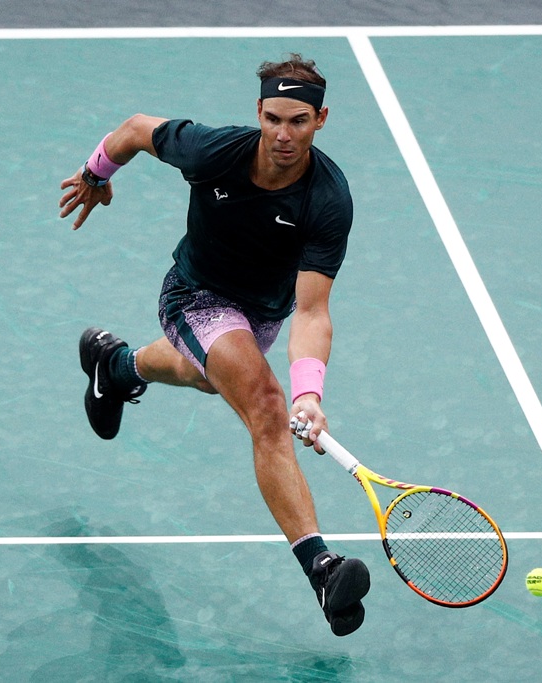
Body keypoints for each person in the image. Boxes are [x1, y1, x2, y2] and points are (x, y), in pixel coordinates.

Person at [58, 54, 369, 636]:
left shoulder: (328, 199)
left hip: (264, 313)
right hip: (195, 294)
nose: (283, 133)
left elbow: (312, 309)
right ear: (258, 112)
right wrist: (96, 175)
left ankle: (117, 366)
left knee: (208, 375)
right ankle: (321, 567)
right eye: (273, 118)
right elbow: (132, 130)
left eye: (298, 121)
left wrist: (312, 391)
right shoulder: (211, 152)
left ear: (320, 120)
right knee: (266, 409)